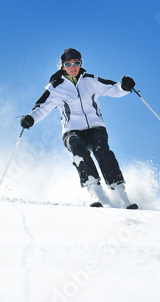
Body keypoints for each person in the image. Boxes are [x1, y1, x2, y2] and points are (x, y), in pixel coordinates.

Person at [20, 48, 138, 209]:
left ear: (81, 63)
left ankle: (121, 194)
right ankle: (97, 193)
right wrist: (30, 118)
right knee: (78, 148)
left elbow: (113, 88)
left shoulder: (90, 80)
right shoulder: (55, 87)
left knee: (102, 150)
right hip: (72, 130)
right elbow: (42, 107)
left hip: (95, 127)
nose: (73, 67)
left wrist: (125, 86)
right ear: (62, 66)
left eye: (76, 63)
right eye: (68, 64)